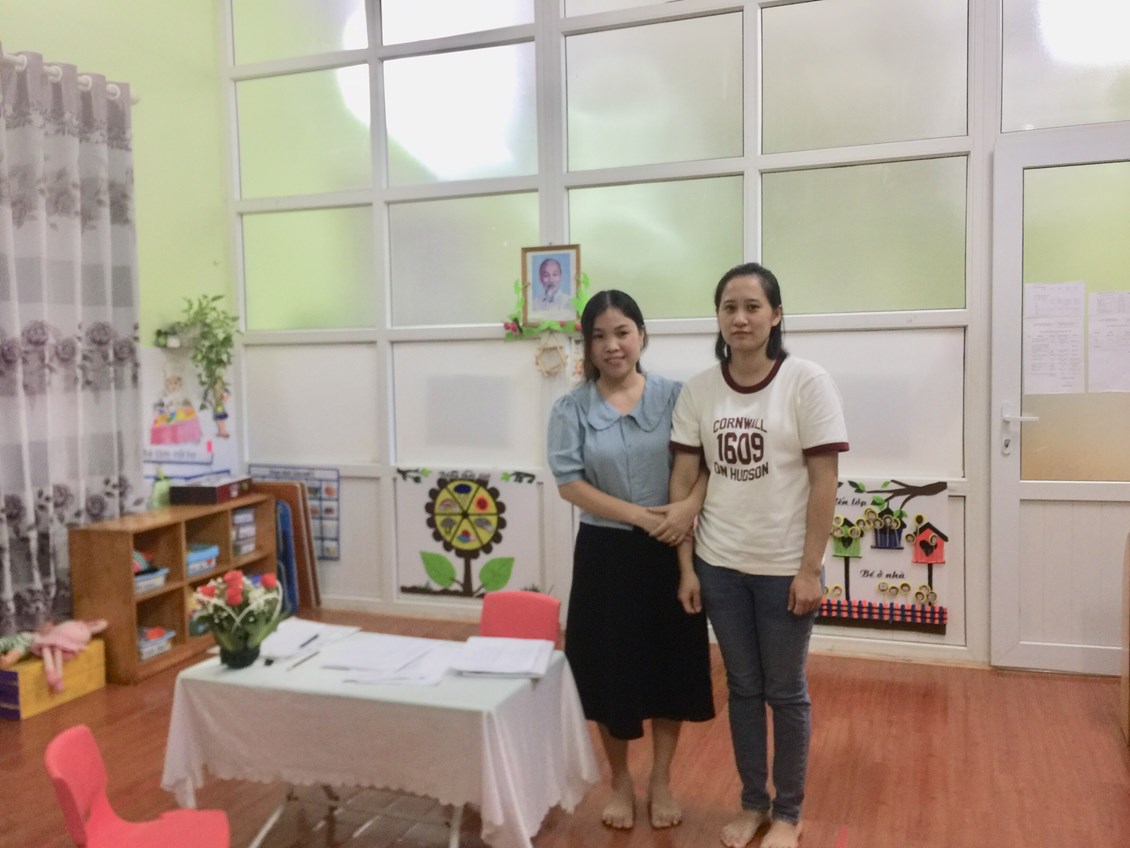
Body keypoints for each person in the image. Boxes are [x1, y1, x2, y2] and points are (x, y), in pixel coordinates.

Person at [669, 262, 848, 848]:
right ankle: (753, 804)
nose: (740, 318)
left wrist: (809, 569)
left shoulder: (806, 382)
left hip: (783, 572)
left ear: (776, 315)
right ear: (718, 318)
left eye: (752, 306)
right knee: (743, 690)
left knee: (786, 692)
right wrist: (687, 566)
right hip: (720, 566)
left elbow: (825, 482)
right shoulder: (700, 390)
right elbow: (685, 483)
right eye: (729, 307)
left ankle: (788, 814)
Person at [547, 289, 715, 830]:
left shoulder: (676, 397)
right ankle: (620, 782)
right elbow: (570, 484)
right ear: (587, 345)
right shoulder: (571, 407)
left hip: (672, 546)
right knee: (609, 672)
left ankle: (661, 779)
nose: (611, 345)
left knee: (670, 667)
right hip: (605, 554)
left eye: (622, 332)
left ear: (642, 335)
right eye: (599, 336)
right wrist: (641, 517)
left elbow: (703, 468)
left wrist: (686, 512)